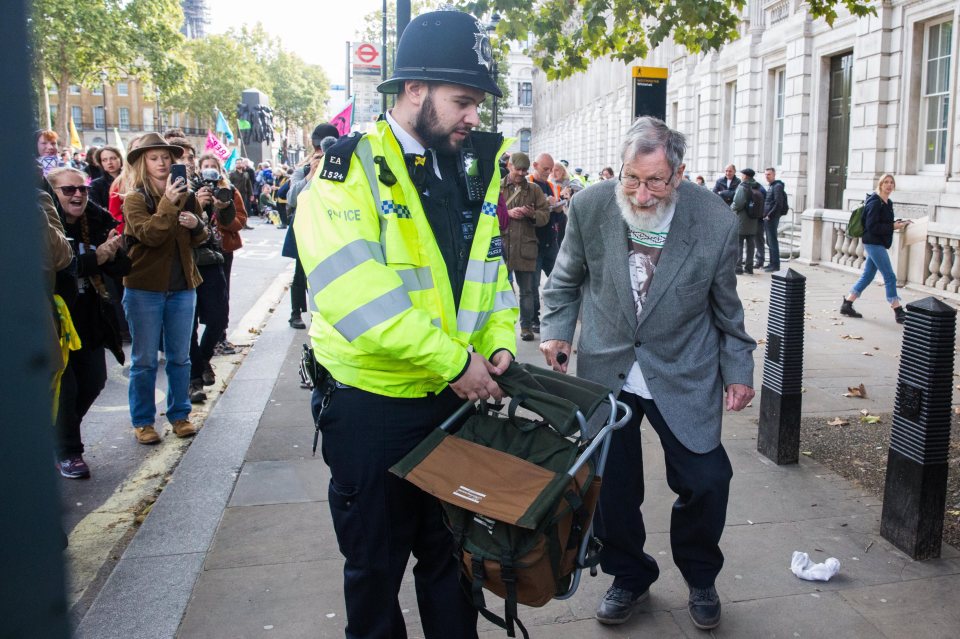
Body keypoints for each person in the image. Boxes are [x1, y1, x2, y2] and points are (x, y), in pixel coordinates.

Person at [293, 9, 518, 637]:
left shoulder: (472, 167)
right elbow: (354, 296)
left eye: (476, 103)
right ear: (414, 91)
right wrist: (455, 363)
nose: (474, 116)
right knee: (375, 569)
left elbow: (493, 276)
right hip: (375, 411)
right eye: (463, 101)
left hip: (454, 404)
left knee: (454, 563)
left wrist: (498, 345)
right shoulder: (347, 171)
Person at [540, 116, 755, 631]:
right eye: (631, 179)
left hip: (683, 367)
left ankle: (701, 577)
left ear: (678, 174)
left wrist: (739, 369)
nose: (639, 193)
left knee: (707, 480)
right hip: (609, 363)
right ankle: (629, 576)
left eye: (654, 181)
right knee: (609, 487)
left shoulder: (713, 220)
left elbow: (727, 308)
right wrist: (556, 331)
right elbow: (565, 280)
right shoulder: (591, 205)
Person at [120, 132, 210, 444]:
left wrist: (195, 225)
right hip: (144, 288)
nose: (162, 163)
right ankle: (143, 421)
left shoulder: (188, 195)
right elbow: (150, 235)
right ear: (143, 164)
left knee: (180, 357)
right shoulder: (134, 199)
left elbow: (202, 237)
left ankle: (180, 415)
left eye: (167, 158)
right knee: (144, 360)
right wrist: (169, 204)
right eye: (154, 158)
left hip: (183, 287)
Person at [46, 168, 130, 477]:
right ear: (52, 194)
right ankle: (69, 452)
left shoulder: (96, 221)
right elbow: (63, 267)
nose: (78, 194)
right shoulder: (45, 228)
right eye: (68, 190)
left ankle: (58, 438)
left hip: (90, 319)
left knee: (94, 381)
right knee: (66, 389)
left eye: (81, 188)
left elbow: (121, 266)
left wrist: (115, 250)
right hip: (57, 323)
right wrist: (98, 257)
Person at [284, 124, 340, 330]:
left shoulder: (340, 168)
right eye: (319, 152)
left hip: (330, 227)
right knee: (300, 272)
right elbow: (292, 198)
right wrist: (311, 175)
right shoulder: (303, 171)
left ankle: (324, 313)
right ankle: (295, 313)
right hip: (305, 228)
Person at [840, 174, 910, 323]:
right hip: (873, 243)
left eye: (891, 182)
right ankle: (898, 310)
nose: (889, 185)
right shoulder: (875, 202)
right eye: (886, 182)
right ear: (880, 184)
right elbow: (871, 226)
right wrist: (892, 226)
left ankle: (847, 303)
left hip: (878, 242)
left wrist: (897, 223)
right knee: (890, 276)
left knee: (868, 275)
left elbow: (883, 222)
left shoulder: (887, 202)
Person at [501, 151, 549, 340]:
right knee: (503, 289)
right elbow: (487, 215)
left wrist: (531, 214)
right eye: (518, 169)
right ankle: (502, 327)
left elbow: (545, 216)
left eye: (524, 170)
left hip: (526, 247)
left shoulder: (534, 190)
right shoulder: (497, 188)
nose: (521, 173)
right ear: (509, 166)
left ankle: (526, 327)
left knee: (527, 291)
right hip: (503, 246)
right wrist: (508, 213)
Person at [731, 168, 762, 274]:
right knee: (751, 244)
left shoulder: (742, 186)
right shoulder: (757, 186)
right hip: (753, 220)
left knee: (739, 243)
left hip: (742, 219)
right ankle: (749, 267)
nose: (741, 176)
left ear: (745, 176)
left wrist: (731, 208)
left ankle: (738, 267)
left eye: (742, 174)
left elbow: (738, 203)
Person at [762, 167, 789, 272]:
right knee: (769, 241)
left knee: (772, 241)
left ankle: (775, 265)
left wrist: (769, 215)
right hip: (768, 217)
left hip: (771, 218)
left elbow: (778, 203)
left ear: (774, 175)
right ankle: (772, 263)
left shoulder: (777, 186)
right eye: (765, 174)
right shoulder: (772, 186)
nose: (767, 176)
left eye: (769, 174)